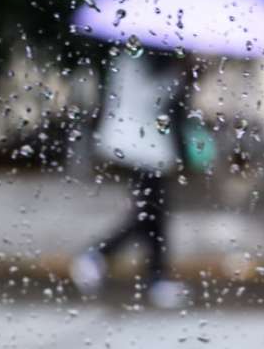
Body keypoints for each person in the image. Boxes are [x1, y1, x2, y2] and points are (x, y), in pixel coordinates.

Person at [70, 52, 189, 309]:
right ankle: (98, 255)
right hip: (140, 145)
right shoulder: (136, 59)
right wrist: (177, 77)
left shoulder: (133, 58)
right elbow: (151, 99)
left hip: (145, 144)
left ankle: (155, 276)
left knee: (152, 214)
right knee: (151, 213)